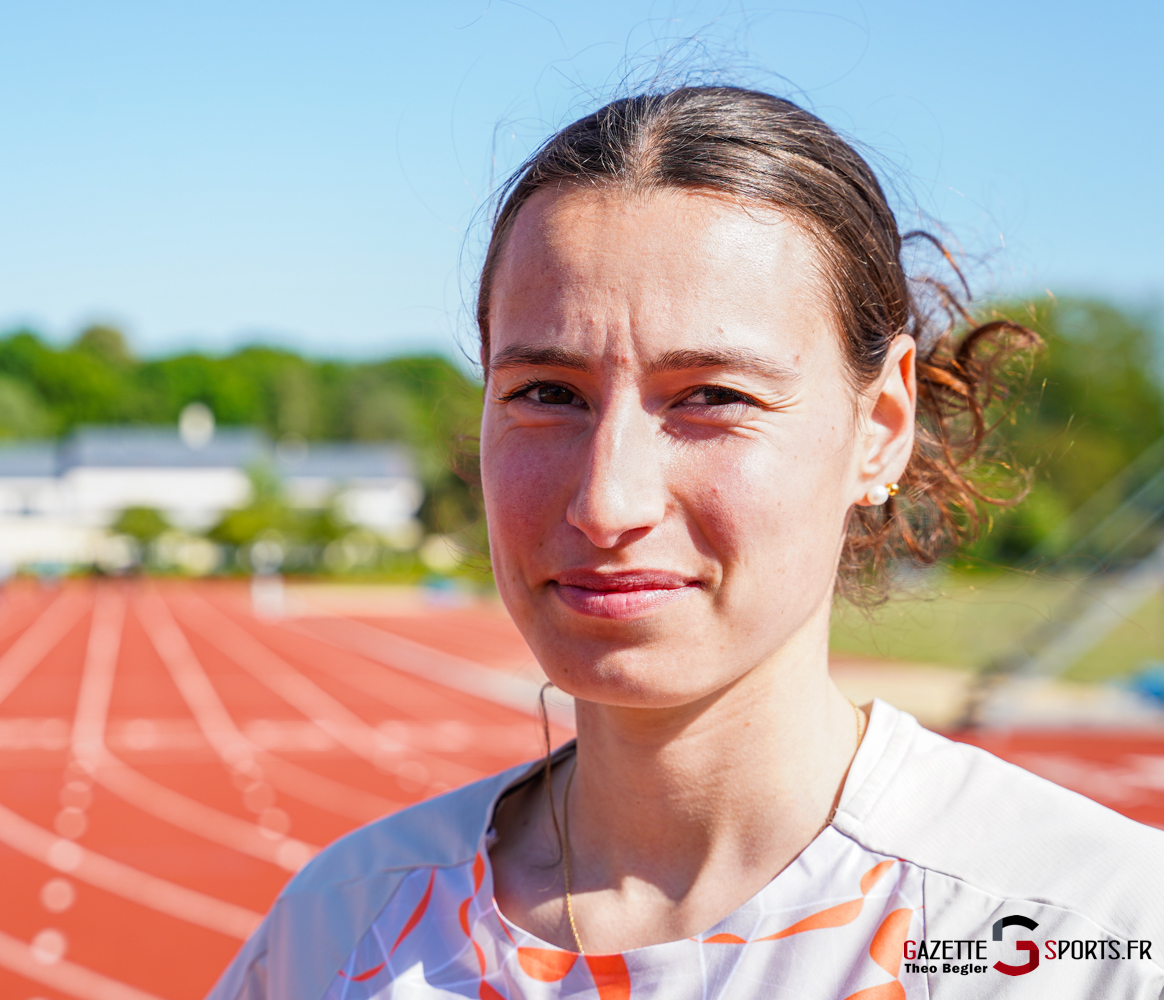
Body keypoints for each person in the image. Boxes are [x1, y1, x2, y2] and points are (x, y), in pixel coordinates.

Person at [208, 87, 1164, 999]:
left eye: (713, 396)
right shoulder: (343, 928)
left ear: (880, 426)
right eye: (547, 392)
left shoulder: (1090, 936)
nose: (606, 500)